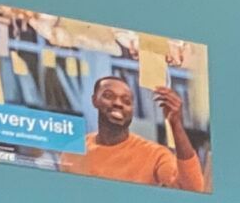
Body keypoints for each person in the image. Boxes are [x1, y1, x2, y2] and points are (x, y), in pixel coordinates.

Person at [65, 73, 209, 192]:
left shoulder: (156, 155)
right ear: (94, 100)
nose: (118, 103)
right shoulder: (73, 150)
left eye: (126, 101)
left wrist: (176, 124)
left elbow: (192, 188)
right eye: (108, 96)